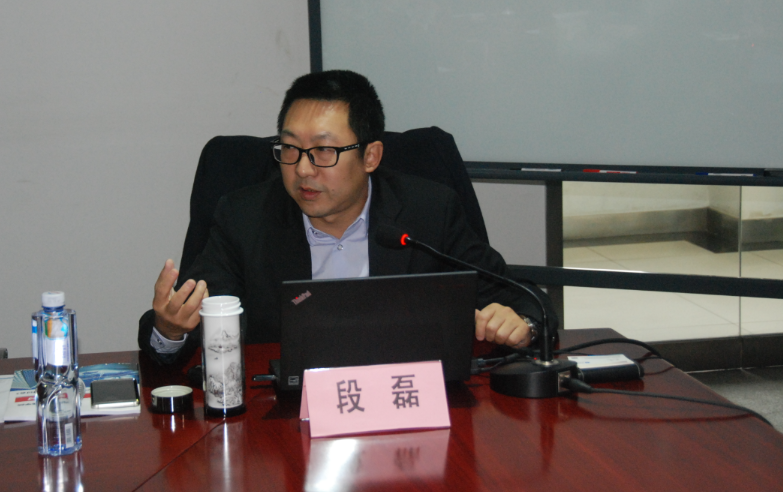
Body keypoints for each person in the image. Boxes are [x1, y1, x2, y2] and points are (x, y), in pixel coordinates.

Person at [138, 70, 553, 363]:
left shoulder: (428, 211)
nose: (302, 169)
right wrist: (170, 330)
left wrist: (524, 325)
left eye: (323, 151)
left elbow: (527, 302)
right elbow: (190, 325)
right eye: (289, 148)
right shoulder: (244, 218)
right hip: (286, 420)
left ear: (371, 156)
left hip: (404, 407)